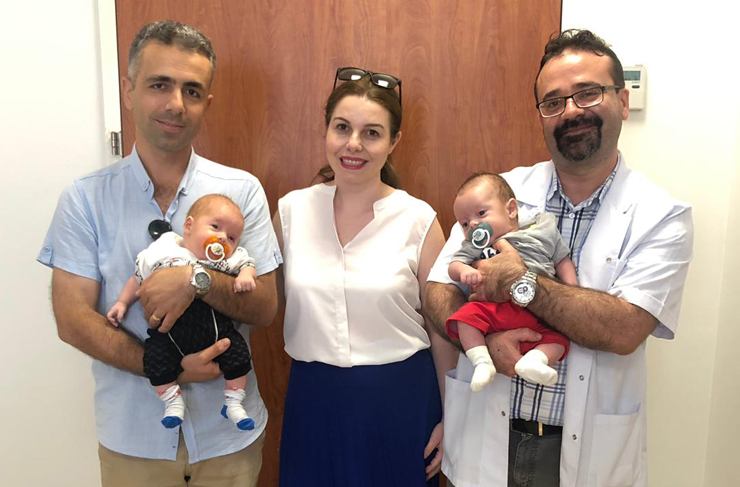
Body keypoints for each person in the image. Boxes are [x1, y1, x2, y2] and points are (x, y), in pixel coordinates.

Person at [424, 30, 693, 487]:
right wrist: (487, 340)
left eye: (588, 93)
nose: (570, 111)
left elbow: (624, 328)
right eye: (553, 102)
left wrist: (522, 283)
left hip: (587, 452)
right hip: (486, 434)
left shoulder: (661, 216)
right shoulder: (496, 195)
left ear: (623, 101)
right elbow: (436, 292)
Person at [37, 21, 281, 487]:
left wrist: (195, 280)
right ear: (128, 91)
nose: (176, 104)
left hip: (229, 443)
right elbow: (72, 319)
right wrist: (170, 369)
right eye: (159, 85)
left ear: (207, 103)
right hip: (133, 444)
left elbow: (265, 306)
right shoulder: (84, 199)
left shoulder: (241, 191)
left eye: (192, 90)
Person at [274, 67, 458, 487]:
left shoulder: (418, 219)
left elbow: (441, 328)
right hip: (314, 403)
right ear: (326, 131)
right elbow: (263, 298)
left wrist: (452, 415)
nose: (353, 144)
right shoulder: (291, 212)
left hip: (401, 402)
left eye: (371, 133)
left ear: (394, 142)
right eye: (342, 127)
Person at [107, 194, 258, 431]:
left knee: (239, 355)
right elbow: (137, 279)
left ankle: (233, 402)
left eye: (231, 237)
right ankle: (172, 401)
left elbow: (247, 264)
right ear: (188, 226)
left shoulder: (225, 260)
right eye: (215, 227)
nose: (222, 238)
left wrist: (246, 275)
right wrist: (122, 303)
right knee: (154, 358)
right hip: (170, 334)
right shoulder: (164, 251)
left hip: (216, 331)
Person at [446, 172, 576, 391]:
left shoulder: (541, 232)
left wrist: (571, 289)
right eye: (465, 224)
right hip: (494, 309)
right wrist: (464, 271)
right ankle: (481, 361)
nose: (474, 225)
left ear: (511, 209)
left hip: (538, 310)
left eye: (481, 213)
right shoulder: (476, 245)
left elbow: (563, 260)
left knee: (559, 340)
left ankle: (535, 360)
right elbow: (454, 265)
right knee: (464, 319)